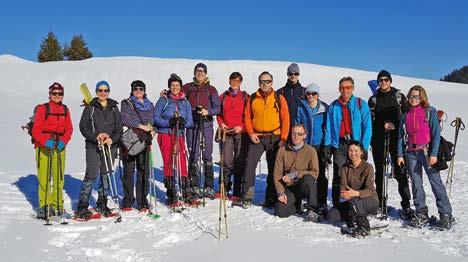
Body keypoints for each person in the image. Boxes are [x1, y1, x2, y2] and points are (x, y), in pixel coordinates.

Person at [397, 85, 453, 229]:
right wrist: (399, 154)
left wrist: (434, 153)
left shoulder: (429, 112)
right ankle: (421, 212)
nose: (413, 99)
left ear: (422, 97)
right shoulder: (406, 115)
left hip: (427, 152)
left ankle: (445, 214)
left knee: (435, 183)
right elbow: (400, 136)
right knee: (416, 184)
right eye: (411, 96)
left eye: (416, 96)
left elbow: (436, 134)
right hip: (411, 153)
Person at [236, 71, 290, 208]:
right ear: (259, 82)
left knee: (274, 168)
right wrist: (250, 133)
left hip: (275, 137)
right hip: (257, 137)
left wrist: (283, 138)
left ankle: (271, 198)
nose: (264, 84)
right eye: (262, 81)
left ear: (272, 82)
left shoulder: (279, 98)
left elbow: (286, 119)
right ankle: (247, 196)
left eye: (267, 81)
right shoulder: (253, 98)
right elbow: (247, 117)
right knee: (249, 164)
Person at [368, 70, 413, 219]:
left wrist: (395, 124)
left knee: (400, 171)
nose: (383, 82)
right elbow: (371, 121)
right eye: (380, 80)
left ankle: (406, 204)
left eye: (386, 80)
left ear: (390, 81)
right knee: (380, 172)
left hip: (396, 139)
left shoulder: (399, 96)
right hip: (379, 139)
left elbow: (408, 117)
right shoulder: (373, 99)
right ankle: (381, 203)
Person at [76, 81, 122, 219]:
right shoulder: (90, 107)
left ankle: (102, 203)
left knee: (106, 174)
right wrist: (96, 136)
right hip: (93, 146)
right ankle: (82, 206)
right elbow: (83, 127)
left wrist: (111, 139)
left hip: (110, 146)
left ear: (109, 91)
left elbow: (119, 128)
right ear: (96, 92)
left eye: (105, 90)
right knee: (91, 174)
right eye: (100, 90)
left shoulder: (114, 108)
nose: (103, 93)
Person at [326, 77, 372, 208]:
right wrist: (328, 145)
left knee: (357, 173)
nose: (345, 90)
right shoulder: (334, 105)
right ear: (339, 89)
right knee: (340, 173)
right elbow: (329, 126)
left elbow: (367, 126)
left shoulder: (360, 104)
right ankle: (338, 204)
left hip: (355, 144)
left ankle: (359, 203)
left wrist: (364, 146)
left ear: (353, 88)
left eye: (348, 87)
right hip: (340, 144)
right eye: (342, 88)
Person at [32, 82, 73, 219]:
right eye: (54, 93)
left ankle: (57, 206)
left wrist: (64, 141)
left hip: (59, 147)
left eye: (60, 93)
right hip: (44, 147)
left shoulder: (65, 110)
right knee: (44, 177)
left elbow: (69, 129)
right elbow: (36, 129)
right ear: (50, 94)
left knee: (59, 178)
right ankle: (44, 206)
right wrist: (45, 141)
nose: (57, 96)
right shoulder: (43, 109)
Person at [154, 74, 194, 206]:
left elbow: (190, 122)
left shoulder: (185, 101)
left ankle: (186, 192)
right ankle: (171, 194)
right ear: (169, 87)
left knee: (182, 161)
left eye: (177, 85)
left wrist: (182, 123)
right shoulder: (163, 100)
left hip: (179, 135)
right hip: (165, 134)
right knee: (168, 162)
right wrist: (169, 122)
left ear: (181, 87)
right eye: (172, 85)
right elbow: (156, 118)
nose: (175, 87)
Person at [183, 63, 221, 199]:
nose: (200, 73)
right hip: (192, 125)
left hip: (206, 124)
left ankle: (209, 186)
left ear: (206, 74)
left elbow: (218, 108)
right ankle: (194, 185)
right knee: (193, 154)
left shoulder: (211, 89)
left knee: (207, 154)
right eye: (197, 71)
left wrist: (207, 111)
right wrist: (166, 93)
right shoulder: (187, 87)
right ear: (194, 73)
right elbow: (177, 96)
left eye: (202, 71)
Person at [327, 141, 379, 237]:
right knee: (332, 215)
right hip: (351, 201)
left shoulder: (368, 167)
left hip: (369, 200)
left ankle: (364, 226)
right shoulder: (345, 168)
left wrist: (356, 193)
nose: (353, 153)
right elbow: (343, 186)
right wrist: (346, 194)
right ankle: (354, 216)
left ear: (361, 152)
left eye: (356, 151)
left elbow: (370, 190)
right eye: (351, 150)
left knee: (355, 199)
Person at [295, 83, 330, 213]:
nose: (310, 96)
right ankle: (305, 199)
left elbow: (328, 128)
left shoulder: (324, 108)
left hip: (319, 145)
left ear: (317, 95)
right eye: (308, 93)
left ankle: (321, 202)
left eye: (313, 94)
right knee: (305, 173)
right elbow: (297, 125)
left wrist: (327, 145)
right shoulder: (301, 107)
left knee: (320, 174)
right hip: (306, 145)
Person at [273, 124, 320, 221]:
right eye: (294, 133)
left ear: (304, 135)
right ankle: (297, 204)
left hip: (304, 185)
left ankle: (312, 210)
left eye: (299, 134)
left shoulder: (311, 151)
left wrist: (295, 174)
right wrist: (280, 193)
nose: (296, 136)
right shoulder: (282, 150)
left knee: (308, 178)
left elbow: (315, 173)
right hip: (289, 187)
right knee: (280, 212)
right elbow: (277, 173)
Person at [121, 80, 155, 211]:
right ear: (132, 90)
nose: (138, 91)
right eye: (136, 89)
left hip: (145, 141)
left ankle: (142, 201)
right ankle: (128, 201)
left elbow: (153, 121)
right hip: (129, 141)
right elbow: (124, 118)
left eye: (141, 89)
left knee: (143, 171)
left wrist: (153, 131)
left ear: (145, 90)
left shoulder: (149, 104)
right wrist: (141, 126)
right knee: (129, 172)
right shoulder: (126, 103)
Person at [216, 72, 249, 199]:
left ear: (241, 82)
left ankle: (237, 191)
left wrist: (241, 126)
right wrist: (221, 123)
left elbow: (249, 115)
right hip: (227, 133)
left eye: (237, 80)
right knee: (226, 161)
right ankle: (223, 188)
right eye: (232, 80)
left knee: (239, 162)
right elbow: (218, 113)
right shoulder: (223, 96)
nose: (234, 82)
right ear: (229, 81)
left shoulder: (245, 97)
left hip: (240, 133)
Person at [277, 63, 306, 128]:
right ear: (287, 74)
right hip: (284, 126)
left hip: (299, 126)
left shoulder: (304, 91)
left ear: (299, 74)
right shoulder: (280, 92)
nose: (293, 76)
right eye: (291, 74)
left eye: (296, 74)